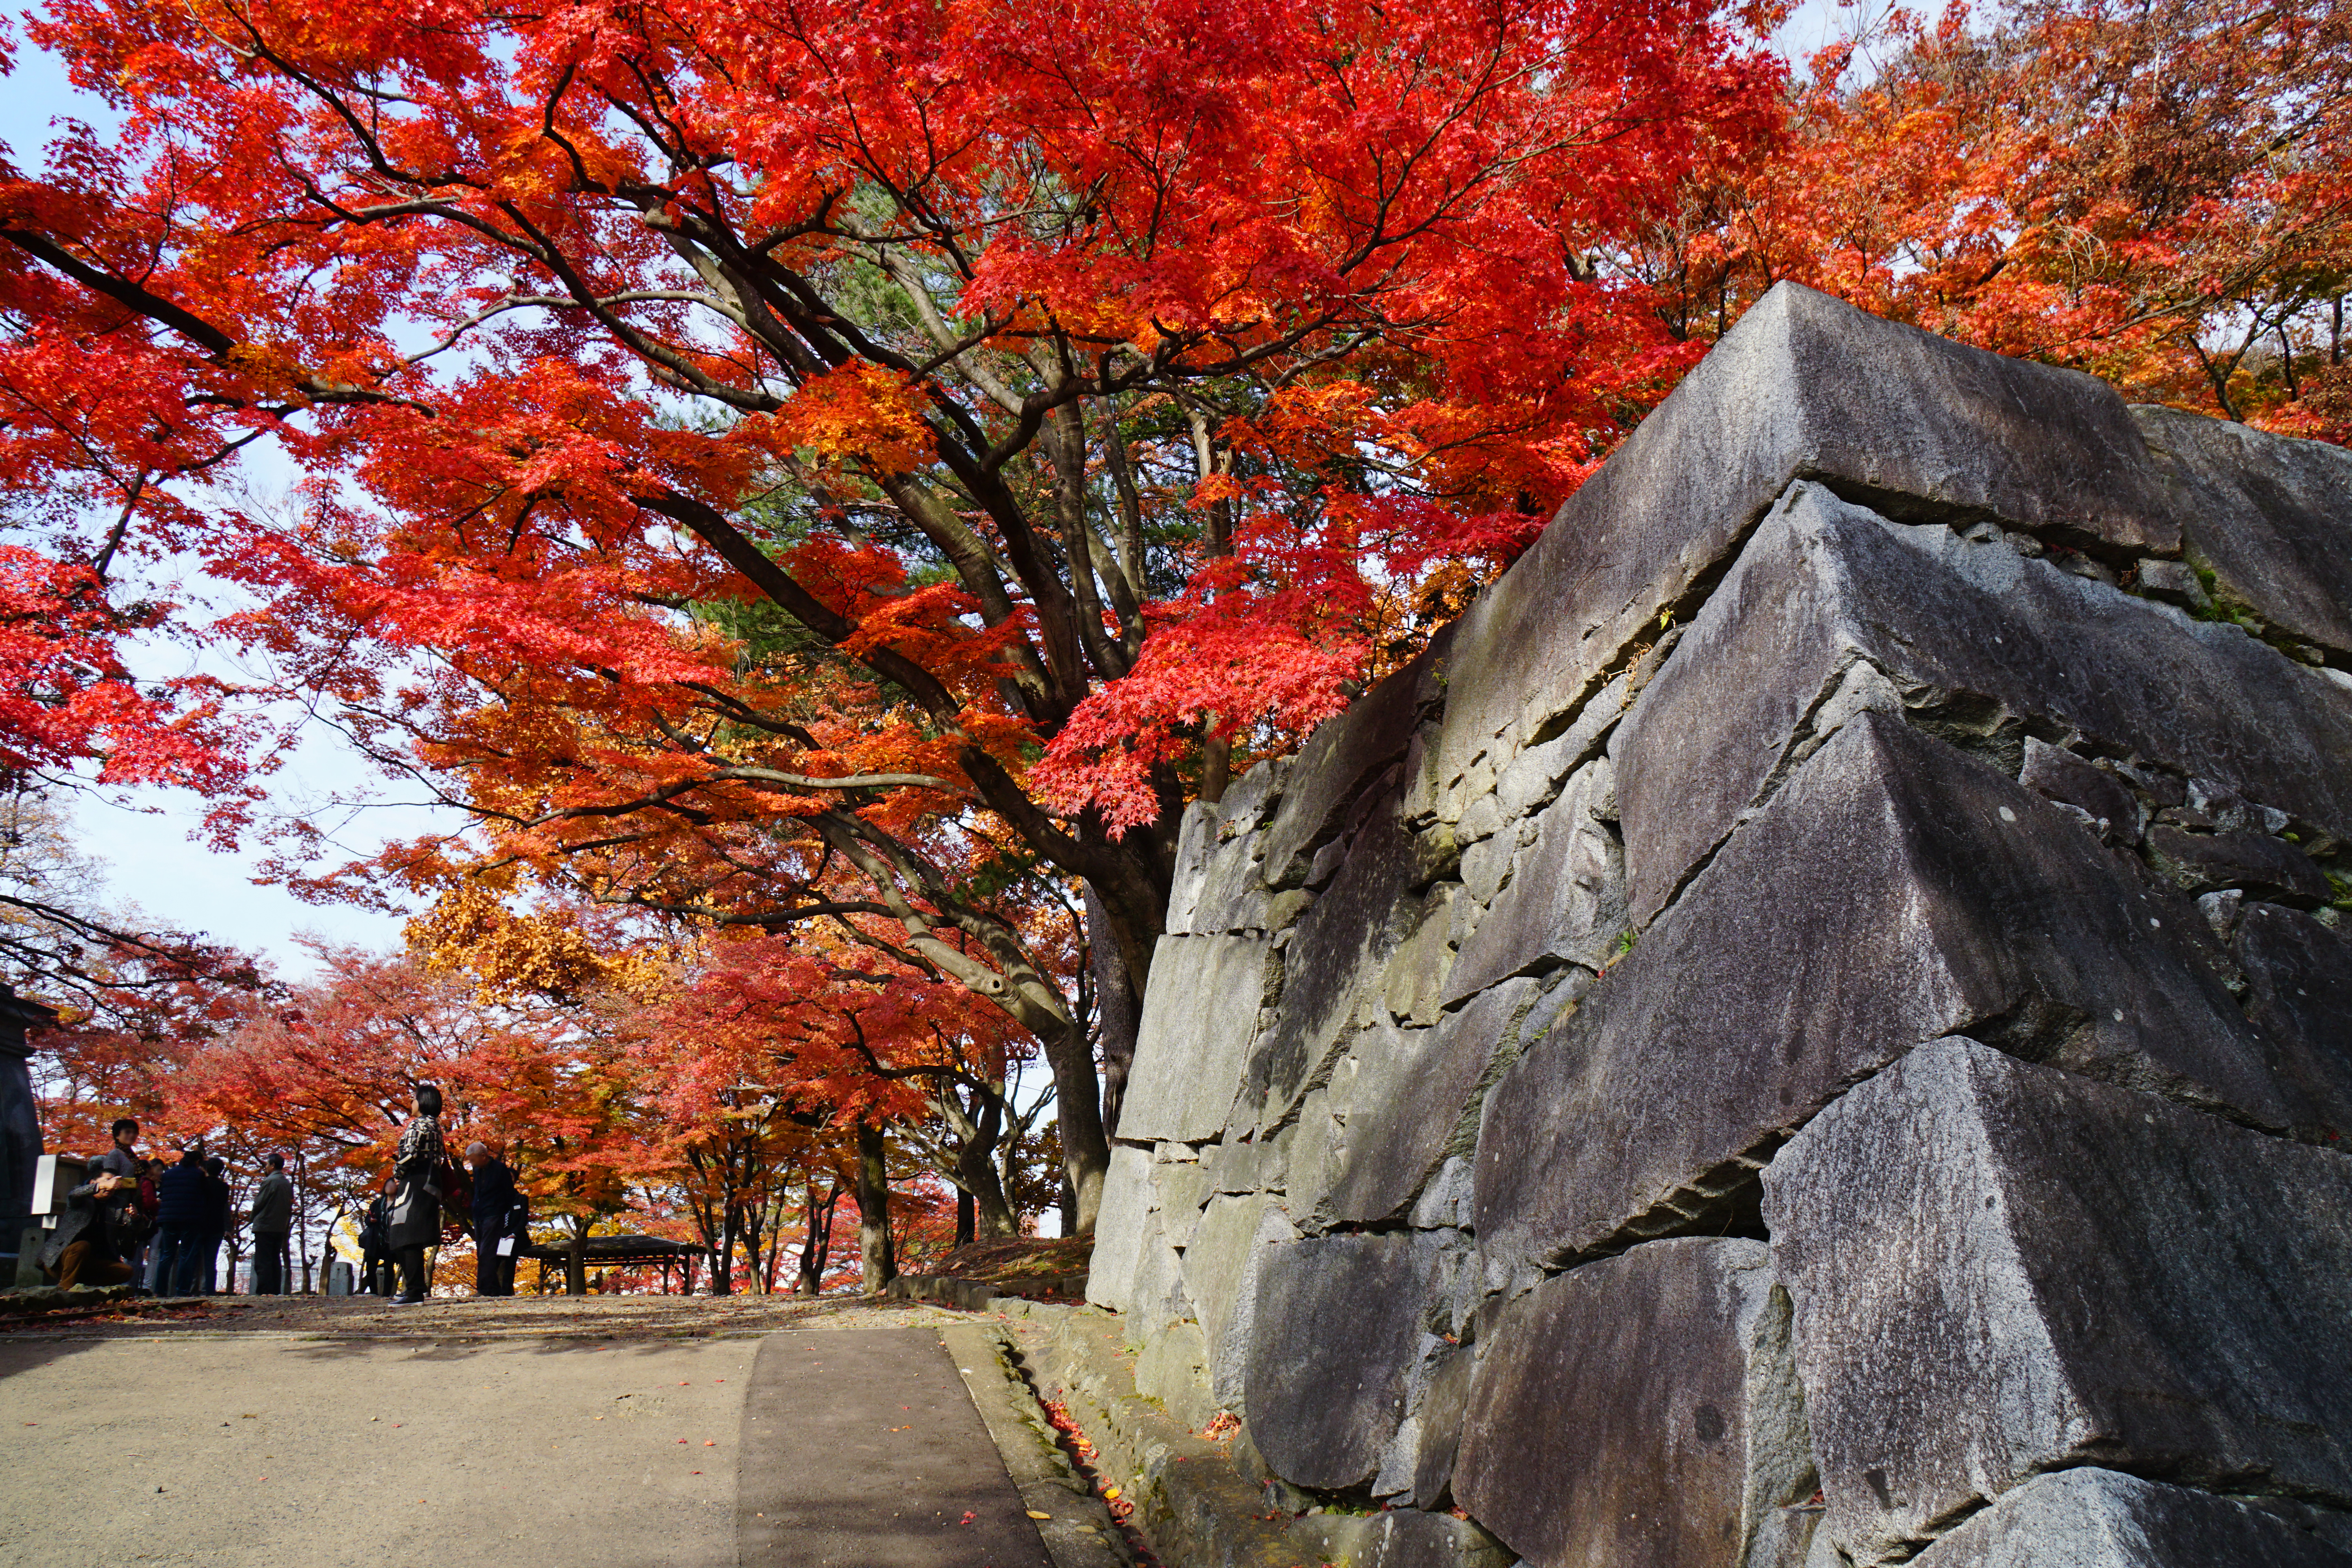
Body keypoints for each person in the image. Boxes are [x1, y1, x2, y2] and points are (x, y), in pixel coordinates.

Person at [386, 1084, 445, 1305]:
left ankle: (414, 1291)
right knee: (410, 1233)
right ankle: (415, 1288)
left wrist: (397, 1172)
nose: (411, 1103)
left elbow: (409, 1155)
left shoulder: (420, 1125)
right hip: (430, 1182)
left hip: (416, 1182)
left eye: (414, 1099)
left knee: (406, 1233)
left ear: (423, 1101)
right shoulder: (436, 1126)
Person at [39, 1159, 137, 1289]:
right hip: (60, 1259)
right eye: (107, 1180)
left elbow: (127, 1234)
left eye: (115, 1182)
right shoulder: (82, 1198)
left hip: (92, 1263)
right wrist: (101, 1187)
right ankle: (65, 1290)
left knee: (126, 1271)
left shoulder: (118, 1204)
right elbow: (75, 1195)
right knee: (82, 1246)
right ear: (93, 1183)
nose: (112, 1185)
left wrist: (134, 1218)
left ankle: (90, 1291)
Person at [466, 1142, 527, 1298]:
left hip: (494, 1213)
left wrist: (500, 1209)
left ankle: (484, 1289)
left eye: (473, 1160)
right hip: (479, 1213)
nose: (471, 1163)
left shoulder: (500, 1169)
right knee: (482, 1251)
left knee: (487, 1251)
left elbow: (509, 1193)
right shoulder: (478, 1170)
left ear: (483, 1156)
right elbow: (477, 1190)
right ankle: (493, 1288)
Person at [152, 1145, 212, 1296]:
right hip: (190, 1219)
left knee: (167, 1255)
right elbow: (204, 1196)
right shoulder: (198, 1175)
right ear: (197, 1161)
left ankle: (160, 1290)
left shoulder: (168, 1174)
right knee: (186, 1254)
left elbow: (164, 1193)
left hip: (168, 1218)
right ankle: (182, 1290)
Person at [249, 1154, 294, 1296]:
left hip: (265, 1225)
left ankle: (265, 1290)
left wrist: (252, 1218)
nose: (266, 1167)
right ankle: (274, 1290)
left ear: (273, 1165)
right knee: (275, 1259)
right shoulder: (287, 1183)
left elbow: (258, 1204)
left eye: (267, 1165)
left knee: (263, 1260)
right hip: (280, 1226)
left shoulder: (269, 1182)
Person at [198, 1155, 232, 1294]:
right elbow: (225, 1207)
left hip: (199, 1224)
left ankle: (190, 1288)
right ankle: (209, 1289)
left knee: (193, 1258)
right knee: (211, 1260)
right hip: (217, 1226)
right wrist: (228, 1228)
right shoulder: (224, 1187)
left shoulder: (200, 1184)